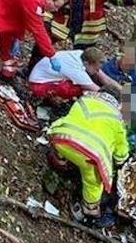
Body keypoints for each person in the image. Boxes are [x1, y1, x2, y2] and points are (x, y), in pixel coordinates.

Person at [47, 92, 130, 226]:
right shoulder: (117, 119)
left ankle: (59, 162)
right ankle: (89, 211)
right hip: (90, 156)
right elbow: (121, 154)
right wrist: (119, 163)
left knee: (62, 150)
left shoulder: (84, 100)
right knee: (93, 184)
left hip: (62, 139)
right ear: (118, 103)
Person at [28, 46, 126, 103]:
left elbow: (104, 78)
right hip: (37, 84)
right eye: (96, 68)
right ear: (88, 63)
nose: (97, 71)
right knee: (78, 89)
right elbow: (99, 91)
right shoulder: (76, 70)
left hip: (44, 76)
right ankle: (46, 99)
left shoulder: (82, 55)